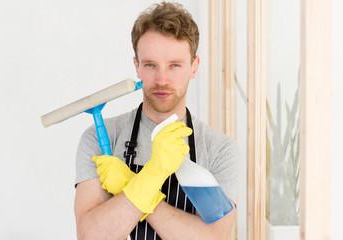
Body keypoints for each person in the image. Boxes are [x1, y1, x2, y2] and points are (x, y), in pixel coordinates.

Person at [74, 2, 239, 239]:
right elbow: (90, 236)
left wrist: (133, 183)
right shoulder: (101, 139)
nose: (162, 79)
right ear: (137, 67)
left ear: (194, 67)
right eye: (150, 65)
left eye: (174, 65)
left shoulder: (219, 149)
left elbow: (214, 236)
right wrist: (152, 175)